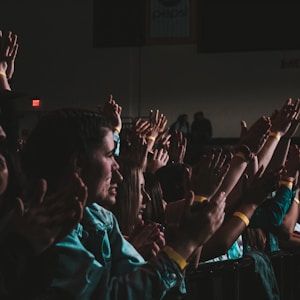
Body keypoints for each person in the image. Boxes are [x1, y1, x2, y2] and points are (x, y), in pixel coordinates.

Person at [20, 107, 226, 299]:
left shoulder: (101, 218)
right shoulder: (43, 226)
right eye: (110, 155)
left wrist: (179, 248)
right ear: (78, 163)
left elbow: (148, 282)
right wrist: (185, 243)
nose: (117, 170)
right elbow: (111, 295)